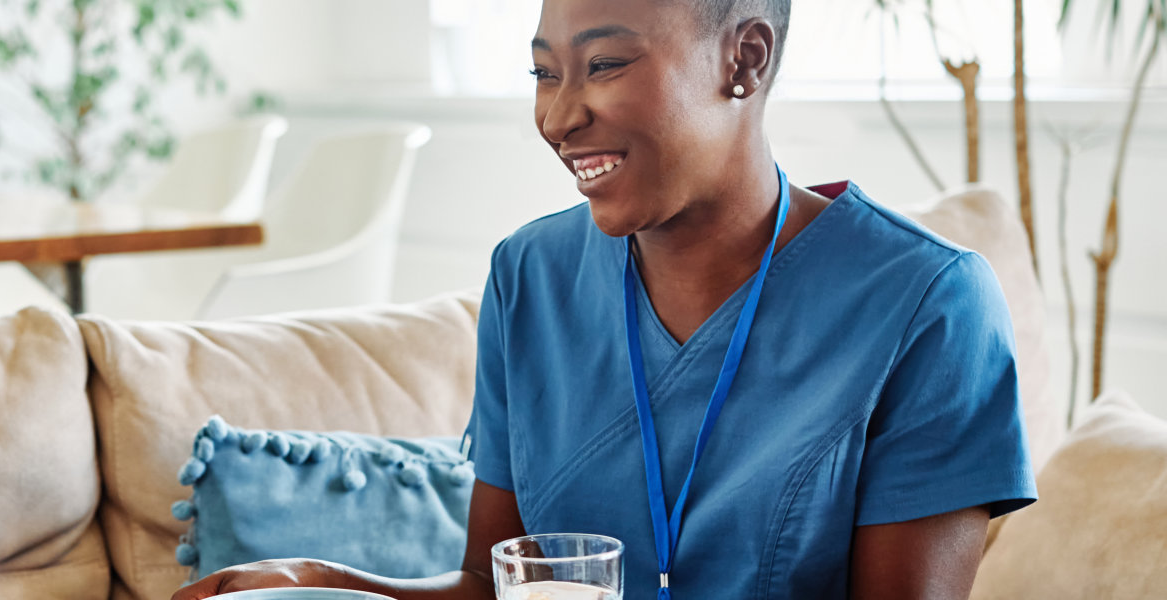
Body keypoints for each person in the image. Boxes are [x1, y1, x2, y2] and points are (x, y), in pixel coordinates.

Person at [173, 0, 1036, 598]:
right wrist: (326, 585)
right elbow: (493, 584)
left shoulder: (926, 304)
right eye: (545, 74)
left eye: (604, 65)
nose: (558, 116)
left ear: (745, 59)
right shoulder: (530, 278)